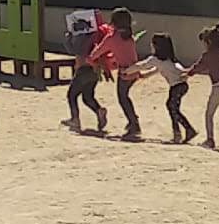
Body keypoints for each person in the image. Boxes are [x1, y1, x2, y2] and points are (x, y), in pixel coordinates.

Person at [127, 32, 196, 143]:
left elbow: (141, 65)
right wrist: (145, 75)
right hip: (180, 86)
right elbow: (158, 69)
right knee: (172, 108)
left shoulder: (156, 59)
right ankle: (178, 133)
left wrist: (126, 71)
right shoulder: (168, 59)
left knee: (172, 108)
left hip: (177, 86)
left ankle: (188, 129)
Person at [86, 8, 141, 140]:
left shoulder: (111, 38)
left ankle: (134, 124)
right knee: (125, 97)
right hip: (134, 70)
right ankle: (133, 121)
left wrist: (91, 59)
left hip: (124, 72)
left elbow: (97, 52)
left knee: (123, 98)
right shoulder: (129, 36)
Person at [64, 10, 108, 133]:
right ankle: (99, 110)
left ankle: (75, 119)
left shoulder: (82, 37)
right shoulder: (97, 36)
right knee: (87, 97)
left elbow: (73, 50)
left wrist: (68, 38)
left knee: (72, 95)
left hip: (83, 69)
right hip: (95, 71)